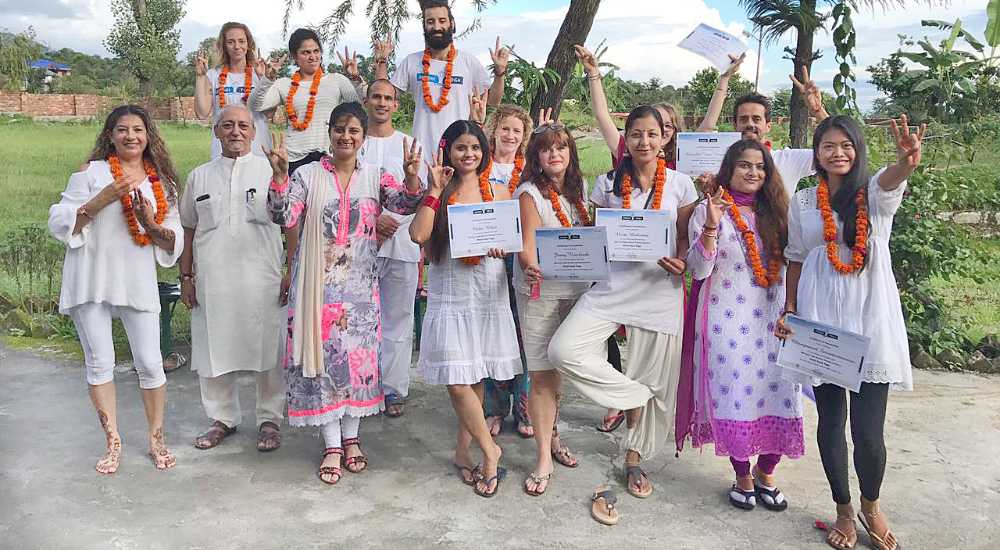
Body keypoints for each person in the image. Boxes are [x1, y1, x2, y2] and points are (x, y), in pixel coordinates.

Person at [776, 115, 924, 550]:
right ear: (816, 154)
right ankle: (842, 508)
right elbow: (797, 258)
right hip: (820, 318)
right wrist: (790, 308)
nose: (838, 153)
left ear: (857, 149)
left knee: (868, 431)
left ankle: (871, 505)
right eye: (828, 146)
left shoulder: (873, 195)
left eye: (846, 145)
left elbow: (893, 178)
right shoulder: (803, 201)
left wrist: (906, 162)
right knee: (831, 421)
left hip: (869, 318)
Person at [548, 106, 698, 523]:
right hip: (614, 285)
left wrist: (682, 261)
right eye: (635, 134)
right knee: (564, 349)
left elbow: (683, 237)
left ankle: (634, 458)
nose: (644, 142)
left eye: (652, 134)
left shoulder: (682, 185)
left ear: (665, 138)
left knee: (654, 370)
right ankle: (636, 397)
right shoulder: (608, 182)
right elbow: (598, 234)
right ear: (626, 139)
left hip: (659, 289)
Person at [264, 102, 424, 485]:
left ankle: (352, 439)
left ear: (363, 136)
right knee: (323, 367)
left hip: (360, 293)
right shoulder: (306, 176)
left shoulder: (375, 176)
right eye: (339, 129)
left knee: (357, 367)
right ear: (329, 133)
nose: (345, 136)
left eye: (353, 130)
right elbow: (283, 216)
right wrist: (281, 177)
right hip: (316, 291)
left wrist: (413, 178)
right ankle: (332, 444)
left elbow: (405, 203)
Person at [48, 105, 183, 474]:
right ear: (110, 135)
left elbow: (173, 238)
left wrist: (149, 223)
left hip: (136, 280)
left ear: (148, 136)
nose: (130, 136)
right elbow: (59, 219)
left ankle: (156, 439)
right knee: (99, 362)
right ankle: (113, 441)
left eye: (138, 129)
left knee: (151, 362)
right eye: (122, 129)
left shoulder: (163, 184)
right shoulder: (91, 173)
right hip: (91, 279)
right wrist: (102, 198)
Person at [681, 139, 804, 512]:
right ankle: (742, 475)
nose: (753, 172)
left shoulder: (781, 212)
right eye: (744, 166)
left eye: (760, 167)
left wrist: (793, 308)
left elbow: (796, 263)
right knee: (735, 393)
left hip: (774, 319)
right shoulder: (708, 209)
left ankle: (767, 472)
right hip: (726, 322)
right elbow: (698, 270)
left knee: (780, 392)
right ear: (729, 171)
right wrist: (712, 228)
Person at [410, 120, 520, 498]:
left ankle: (462, 450)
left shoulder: (499, 190)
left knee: (473, 377)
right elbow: (418, 236)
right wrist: (434, 191)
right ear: (447, 151)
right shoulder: (440, 189)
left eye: (475, 147)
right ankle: (491, 452)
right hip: (451, 290)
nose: (468, 154)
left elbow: (511, 239)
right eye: (461, 148)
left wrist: (501, 246)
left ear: (484, 151)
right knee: (458, 382)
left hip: (487, 290)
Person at [178, 104, 286, 452]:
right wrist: (186, 276)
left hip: (263, 276)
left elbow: (293, 224)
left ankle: (270, 419)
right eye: (227, 125)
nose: (236, 131)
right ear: (216, 132)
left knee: (268, 347)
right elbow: (188, 229)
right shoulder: (199, 176)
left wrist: (290, 270)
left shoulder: (273, 171)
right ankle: (222, 418)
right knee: (213, 346)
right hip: (214, 278)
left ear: (254, 133)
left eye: (243, 125)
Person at [514, 120, 591, 496]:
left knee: (560, 370)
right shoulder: (529, 192)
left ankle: (554, 434)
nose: (554, 154)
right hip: (540, 292)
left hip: (575, 291)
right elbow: (526, 243)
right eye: (546, 148)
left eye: (561, 147)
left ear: (570, 152)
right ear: (537, 156)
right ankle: (543, 454)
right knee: (542, 375)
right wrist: (530, 265)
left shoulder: (579, 190)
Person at [360, 79, 426, 418]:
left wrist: (393, 223)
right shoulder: (353, 140)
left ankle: (394, 389)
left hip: (402, 245)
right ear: (366, 100)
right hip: (359, 246)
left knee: (398, 320)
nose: (382, 103)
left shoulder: (410, 144)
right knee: (359, 318)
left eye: (388, 98)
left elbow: (422, 194)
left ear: (397, 106)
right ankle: (362, 384)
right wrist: (373, 224)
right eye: (376, 97)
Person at [374, 0, 508, 163]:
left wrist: (500, 73)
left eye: (442, 21)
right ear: (424, 26)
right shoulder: (411, 62)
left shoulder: (468, 62)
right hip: (419, 157)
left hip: (459, 155)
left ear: (452, 24)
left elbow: (493, 100)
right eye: (430, 22)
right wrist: (381, 61)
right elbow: (382, 95)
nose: (436, 26)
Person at [471, 101, 534, 438]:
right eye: (505, 128)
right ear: (493, 131)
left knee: (523, 332)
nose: (510, 135)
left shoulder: (528, 172)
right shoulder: (479, 167)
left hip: (521, 259)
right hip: (489, 260)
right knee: (494, 330)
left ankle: (526, 409)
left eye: (517, 131)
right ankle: (495, 407)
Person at [249, 28, 364, 175]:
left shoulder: (336, 80)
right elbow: (255, 105)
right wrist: (268, 78)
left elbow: (359, 107)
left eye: (316, 51)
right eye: (306, 52)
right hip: (293, 161)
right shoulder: (284, 84)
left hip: (329, 157)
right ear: (294, 57)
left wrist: (355, 77)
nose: (313, 57)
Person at [194, 22, 273, 159]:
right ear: (224, 45)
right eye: (231, 42)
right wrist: (200, 76)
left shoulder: (260, 73)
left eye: (241, 41)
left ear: (248, 44)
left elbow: (270, 113)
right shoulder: (213, 75)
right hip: (223, 152)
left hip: (258, 151)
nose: (237, 46)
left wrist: (263, 79)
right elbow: (202, 113)